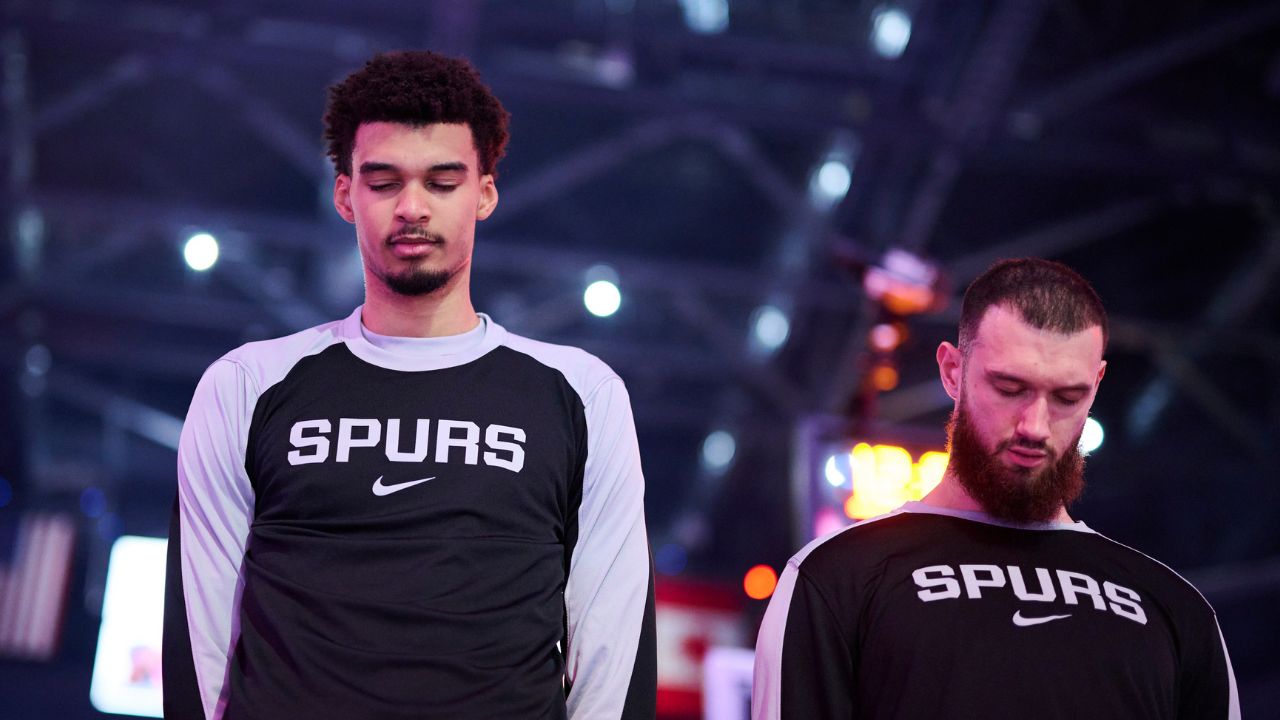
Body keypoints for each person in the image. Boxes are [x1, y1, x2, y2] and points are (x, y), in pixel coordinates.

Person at [163, 51, 656, 720]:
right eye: (384, 181)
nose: (412, 207)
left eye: (442, 181)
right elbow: (199, 643)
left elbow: (612, 649)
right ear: (346, 195)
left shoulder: (581, 395)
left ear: (484, 191)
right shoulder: (246, 385)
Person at [753, 258, 1239, 718]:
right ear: (952, 371)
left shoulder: (1176, 608)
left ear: (1097, 384)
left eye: (1068, 397)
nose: (1036, 425)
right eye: (1010, 388)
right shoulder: (836, 578)